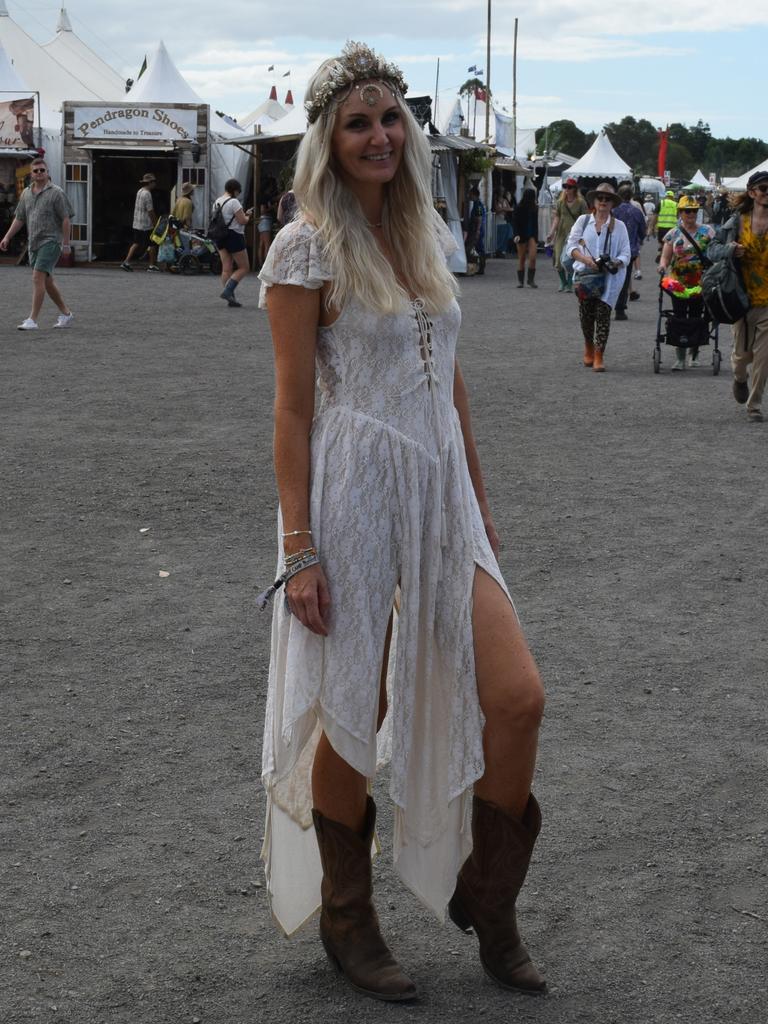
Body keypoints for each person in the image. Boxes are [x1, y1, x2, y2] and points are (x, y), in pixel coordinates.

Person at [257, 41, 546, 1004]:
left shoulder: (428, 233)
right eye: (357, 123)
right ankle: (349, 916)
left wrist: (479, 498)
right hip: (354, 494)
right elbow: (292, 410)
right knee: (357, 710)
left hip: (441, 496)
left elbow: (447, 376)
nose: (379, 135)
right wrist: (299, 549)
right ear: (328, 143)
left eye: (389, 119)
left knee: (517, 698)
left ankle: (489, 899)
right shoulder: (304, 246)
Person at [708, 170, 768, 421]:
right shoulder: (737, 222)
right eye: (764, 188)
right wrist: (731, 249)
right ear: (752, 192)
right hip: (741, 299)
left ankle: (754, 405)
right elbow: (712, 250)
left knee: (764, 358)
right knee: (742, 358)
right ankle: (739, 378)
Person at [0, 155, 75, 331]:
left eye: (42, 170)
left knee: (37, 277)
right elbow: (20, 218)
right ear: (31, 174)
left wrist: (66, 244)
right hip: (33, 242)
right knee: (47, 281)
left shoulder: (56, 193)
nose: (39, 173)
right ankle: (66, 314)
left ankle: (32, 320)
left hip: (51, 242)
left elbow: (65, 219)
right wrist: (7, 236)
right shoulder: (26, 193)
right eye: (36, 171)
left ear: (48, 173)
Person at [566, 182, 631, 371]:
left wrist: (614, 262)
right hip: (585, 274)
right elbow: (571, 247)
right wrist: (587, 260)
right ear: (594, 201)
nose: (603, 202)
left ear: (613, 203)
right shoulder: (583, 221)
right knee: (586, 314)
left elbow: (626, 253)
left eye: (607, 199)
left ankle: (599, 354)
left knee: (603, 314)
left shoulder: (620, 226)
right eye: (600, 198)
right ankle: (588, 346)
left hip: (611, 278)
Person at [658, 196, 715, 370]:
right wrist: (662, 266)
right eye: (687, 211)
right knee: (680, 317)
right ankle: (680, 357)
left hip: (701, 283)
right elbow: (666, 256)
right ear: (680, 213)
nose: (691, 214)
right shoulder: (673, 233)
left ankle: (694, 354)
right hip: (678, 284)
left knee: (698, 317)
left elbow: (715, 253)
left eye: (694, 211)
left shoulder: (708, 232)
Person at [212, 178, 252, 307]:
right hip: (234, 235)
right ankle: (228, 291)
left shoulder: (217, 201)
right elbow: (242, 221)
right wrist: (248, 215)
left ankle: (230, 297)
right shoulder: (234, 202)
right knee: (244, 267)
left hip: (220, 236)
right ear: (235, 190)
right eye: (238, 192)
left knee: (226, 268)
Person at [547, 177, 587, 291]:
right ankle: (563, 282)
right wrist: (551, 233)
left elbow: (585, 219)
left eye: (569, 187)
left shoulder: (581, 202)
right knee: (558, 260)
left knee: (569, 259)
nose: (567, 189)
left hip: (574, 235)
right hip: (561, 233)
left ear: (575, 189)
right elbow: (557, 218)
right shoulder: (560, 202)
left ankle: (569, 283)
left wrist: (584, 235)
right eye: (565, 187)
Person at [613, 184, 646, 320]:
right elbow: (642, 230)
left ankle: (607, 304)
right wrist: (639, 241)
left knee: (610, 278)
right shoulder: (636, 212)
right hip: (629, 250)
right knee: (624, 280)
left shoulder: (613, 211)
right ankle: (620, 309)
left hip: (612, 249)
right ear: (631, 196)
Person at [121, 172, 160, 272]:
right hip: (145, 224)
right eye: (154, 182)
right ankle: (151, 265)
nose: (155, 184)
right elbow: (150, 211)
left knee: (136, 242)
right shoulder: (147, 194)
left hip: (137, 222)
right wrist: (155, 223)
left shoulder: (140, 191)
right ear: (150, 182)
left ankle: (126, 262)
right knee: (152, 243)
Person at [513, 186, 539, 287]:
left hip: (531, 234)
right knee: (522, 258)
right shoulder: (519, 208)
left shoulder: (534, 208)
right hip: (521, 234)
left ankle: (530, 280)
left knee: (533, 257)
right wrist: (516, 234)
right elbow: (515, 222)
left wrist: (536, 236)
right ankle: (521, 281)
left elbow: (535, 223)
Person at [465, 185, 487, 273]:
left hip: (477, 229)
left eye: (470, 194)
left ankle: (481, 267)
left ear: (474, 194)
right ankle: (480, 266)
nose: (469, 196)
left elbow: (479, 218)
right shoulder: (476, 204)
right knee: (478, 248)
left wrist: (477, 230)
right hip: (476, 229)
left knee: (479, 248)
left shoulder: (478, 205)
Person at [493, 189, 513, 257]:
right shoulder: (496, 200)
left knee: (504, 237)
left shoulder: (505, 200)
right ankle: (498, 251)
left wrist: (503, 209)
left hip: (504, 221)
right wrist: (504, 209)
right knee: (499, 237)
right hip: (498, 221)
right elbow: (497, 210)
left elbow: (510, 208)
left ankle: (502, 250)